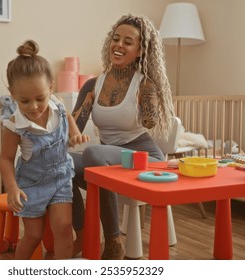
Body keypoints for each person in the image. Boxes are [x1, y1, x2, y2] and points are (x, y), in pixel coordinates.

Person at [70, 14, 175, 259]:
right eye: (115, 39)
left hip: (143, 159)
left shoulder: (144, 85)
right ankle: (83, 234)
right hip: (108, 161)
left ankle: (114, 241)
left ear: (140, 50)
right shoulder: (93, 85)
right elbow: (73, 128)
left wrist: (150, 99)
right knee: (61, 163)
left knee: (93, 152)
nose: (119, 45)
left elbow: (151, 122)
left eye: (128, 42)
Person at [0, 40, 89, 259]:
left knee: (64, 228)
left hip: (59, 176)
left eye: (40, 98)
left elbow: (68, 116)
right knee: (33, 235)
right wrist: (12, 188)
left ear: (50, 87)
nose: (34, 107)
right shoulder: (14, 125)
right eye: (24, 101)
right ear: (12, 94)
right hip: (31, 184)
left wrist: (74, 133)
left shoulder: (57, 104)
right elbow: (6, 159)